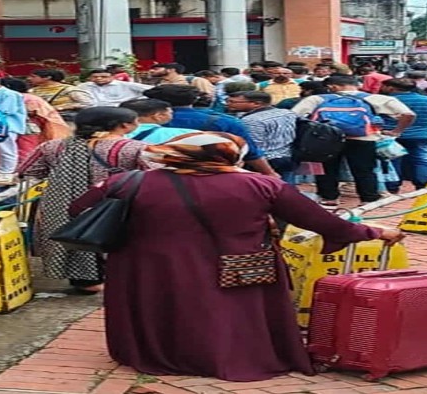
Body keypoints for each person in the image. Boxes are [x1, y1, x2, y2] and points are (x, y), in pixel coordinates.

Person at [71, 131, 404, 381]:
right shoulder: (260, 185)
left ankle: (160, 355)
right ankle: (223, 358)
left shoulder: (129, 181)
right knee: (228, 312)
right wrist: (376, 232)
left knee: (159, 307)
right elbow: (323, 222)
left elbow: (80, 209)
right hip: (236, 262)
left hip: (147, 263)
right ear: (228, 156)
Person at [18, 107, 150, 293]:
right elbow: (154, 174)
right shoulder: (135, 148)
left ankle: (85, 281)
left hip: (65, 205)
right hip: (117, 202)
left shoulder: (53, 146)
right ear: (124, 126)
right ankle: (121, 279)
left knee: (77, 234)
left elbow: (29, 171)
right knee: (122, 238)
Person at [291, 75, 415, 206]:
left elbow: (293, 116)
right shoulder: (376, 98)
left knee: (327, 169)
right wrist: (397, 131)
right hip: (363, 138)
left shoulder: (316, 99)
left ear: (331, 87)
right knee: (364, 170)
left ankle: (329, 198)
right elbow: (409, 114)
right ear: (358, 85)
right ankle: (368, 198)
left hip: (326, 139)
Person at [142, 84, 277, 176]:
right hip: (215, 174)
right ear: (194, 99)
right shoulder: (224, 121)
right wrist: (269, 173)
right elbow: (251, 153)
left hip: (155, 174)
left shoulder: (135, 122)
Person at [380, 78, 427, 190]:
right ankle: (423, 184)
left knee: (392, 159)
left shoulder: (383, 101)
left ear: (390, 88)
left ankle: (392, 185)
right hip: (421, 135)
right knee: (422, 159)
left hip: (390, 134)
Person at [224, 91, 300, 185]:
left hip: (266, 161)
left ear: (256, 103)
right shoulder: (287, 113)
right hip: (288, 155)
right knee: (287, 189)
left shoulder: (252, 120)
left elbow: (253, 146)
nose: (228, 104)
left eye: (233, 102)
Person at [0, 78, 70, 163]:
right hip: (26, 125)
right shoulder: (30, 97)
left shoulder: (23, 97)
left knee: (25, 146)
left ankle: (25, 165)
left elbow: (32, 112)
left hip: (27, 126)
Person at [121, 99, 199, 144]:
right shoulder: (187, 133)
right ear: (158, 116)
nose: (171, 115)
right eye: (170, 113)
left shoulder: (113, 134)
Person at [27, 69, 94, 119]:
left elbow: (87, 103)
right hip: (42, 119)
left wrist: (62, 107)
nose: (29, 78)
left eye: (33, 76)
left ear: (47, 78)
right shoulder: (32, 91)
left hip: (65, 118)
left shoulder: (69, 89)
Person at [78, 68, 151, 107]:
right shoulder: (83, 86)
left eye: (104, 77)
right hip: (92, 111)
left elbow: (154, 90)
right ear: (90, 78)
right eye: (95, 77)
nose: (99, 78)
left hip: (119, 111)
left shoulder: (127, 85)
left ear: (112, 77)